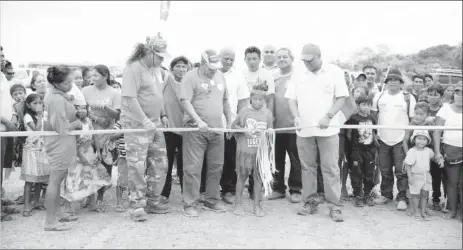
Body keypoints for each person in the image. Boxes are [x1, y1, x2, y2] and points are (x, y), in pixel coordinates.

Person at [286, 43, 349, 222]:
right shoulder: (298, 74)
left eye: (310, 60)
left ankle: (334, 206)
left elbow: (342, 98)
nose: (307, 63)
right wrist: (296, 117)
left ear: (319, 56)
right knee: (307, 168)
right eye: (304, 60)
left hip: (328, 130)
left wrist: (328, 117)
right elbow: (291, 100)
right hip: (304, 130)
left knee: (330, 168)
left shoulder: (334, 72)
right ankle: (310, 202)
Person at [120, 36, 170, 222]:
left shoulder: (153, 70)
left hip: (155, 124)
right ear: (149, 53)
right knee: (137, 165)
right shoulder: (133, 70)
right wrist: (144, 120)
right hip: (137, 126)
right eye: (160, 56)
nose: (162, 60)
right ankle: (136, 205)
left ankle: (152, 200)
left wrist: (163, 114)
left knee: (160, 163)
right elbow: (130, 98)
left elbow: (157, 95)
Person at [179, 49, 232, 217]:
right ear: (202, 64)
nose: (213, 70)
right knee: (193, 167)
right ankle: (190, 203)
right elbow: (185, 101)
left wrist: (229, 122)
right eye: (210, 67)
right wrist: (199, 120)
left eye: (216, 67)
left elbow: (225, 100)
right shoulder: (190, 77)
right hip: (195, 129)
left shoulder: (219, 76)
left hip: (217, 129)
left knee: (216, 166)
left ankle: (212, 199)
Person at [43, 65, 83, 231]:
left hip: (64, 142)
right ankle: (50, 221)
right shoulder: (56, 99)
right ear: (57, 83)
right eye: (68, 82)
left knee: (57, 181)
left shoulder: (59, 96)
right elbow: (61, 127)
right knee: (54, 181)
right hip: (59, 143)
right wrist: (78, 123)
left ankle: (58, 214)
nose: (71, 84)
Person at [371, 69, 416, 210]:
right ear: (386, 82)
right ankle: (386, 195)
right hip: (383, 139)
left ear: (401, 82)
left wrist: (407, 138)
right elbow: (373, 116)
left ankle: (402, 197)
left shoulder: (408, 97)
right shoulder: (379, 96)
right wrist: (374, 133)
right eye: (390, 80)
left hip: (401, 140)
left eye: (396, 80)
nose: (393, 82)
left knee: (401, 170)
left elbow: (413, 119)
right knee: (384, 169)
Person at [82, 64, 121, 212]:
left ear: (105, 76)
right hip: (88, 133)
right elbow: (81, 110)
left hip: (107, 134)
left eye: (96, 75)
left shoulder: (115, 93)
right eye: (92, 76)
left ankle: (100, 197)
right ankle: (88, 195)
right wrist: (96, 117)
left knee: (106, 165)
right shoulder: (85, 91)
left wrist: (104, 107)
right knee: (88, 164)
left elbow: (117, 114)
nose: (93, 78)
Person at [232, 82, 273, 217]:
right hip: (245, 151)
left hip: (260, 153)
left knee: (258, 179)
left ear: (264, 100)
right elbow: (234, 126)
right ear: (250, 98)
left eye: (261, 99)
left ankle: (257, 205)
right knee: (242, 177)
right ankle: (238, 204)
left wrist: (269, 133)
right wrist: (244, 131)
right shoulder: (244, 111)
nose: (257, 102)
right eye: (255, 99)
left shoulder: (267, 113)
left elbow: (270, 131)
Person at [217, 48, 250, 204]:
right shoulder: (211, 72)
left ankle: (228, 190)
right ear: (219, 57)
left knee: (230, 158)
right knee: (211, 158)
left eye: (231, 59)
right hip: (210, 124)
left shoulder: (238, 76)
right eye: (226, 58)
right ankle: (205, 190)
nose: (228, 62)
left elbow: (243, 101)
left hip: (230, 125)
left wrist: (237, 123)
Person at [269, 48, 302, 203]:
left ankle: (296, 189)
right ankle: (278, 188)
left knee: (296, 160)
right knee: (277, 159)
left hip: (294, 126)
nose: (282, 59)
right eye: (279, 57)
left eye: (285, 56)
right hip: (277, 126)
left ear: (292, 58)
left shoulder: (299, 76)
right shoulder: (273, 78)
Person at [243, 46, 275, 198]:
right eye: (249, 58)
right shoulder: (241, 74)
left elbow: (270, 99)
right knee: (246, 153)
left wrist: (269, 120)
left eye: (255, 58)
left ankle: (255, 189)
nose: (252, 61)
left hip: (262, 120)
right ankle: (239, 186)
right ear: (245, 60)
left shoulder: (266, 74)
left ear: (259, 59)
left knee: (260, 155)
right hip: (246, 120)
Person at [161, 56, 191, 202]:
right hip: (168, 128)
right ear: (172, 68)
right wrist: (163, 115)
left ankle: (186, 195)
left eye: (184, 66)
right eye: (178, 66)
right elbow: (159, 98)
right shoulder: (166, 80)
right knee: (166, 162)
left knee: (184, 164)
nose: (181, 69)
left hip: (186, 129)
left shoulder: (189, 83)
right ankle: (164, 194)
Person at [433, 82, 462, 220]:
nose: (460, 96)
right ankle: (452, 210)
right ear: (454, 94)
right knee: (452, 181)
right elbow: (437, 132)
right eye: (458, 92)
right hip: (451, 149)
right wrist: (438, 152)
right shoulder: (445, 109)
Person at [20, 93, 50, 217]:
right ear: (28, 105)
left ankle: (36, 202)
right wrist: (39, 115)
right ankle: (27, 205)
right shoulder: (28, 116)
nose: (38, 105)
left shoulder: (45, 115)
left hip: (42, 149)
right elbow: (37, 129)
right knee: (30, 179)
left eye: (40, 103)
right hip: (31, 149)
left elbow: (47, 128)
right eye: (35, 103)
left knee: (40, 178)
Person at [346, 95, 377, 207]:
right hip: (357, 150)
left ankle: (367, 195)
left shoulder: (373, 118)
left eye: (368, 105)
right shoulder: (353, 118)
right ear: (358, 106)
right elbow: (349, 135)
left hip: (369, 150)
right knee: (356, 173)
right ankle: (358, 195)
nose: (366, 107)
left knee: (369, 173)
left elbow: (375, 133)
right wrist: (353, 147)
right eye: (363, 104)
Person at [1, 45, 19, 222]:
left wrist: (12, 117)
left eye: (3, 55)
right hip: (2, 128)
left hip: (5, 131)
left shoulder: (2, 76)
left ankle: (0, 198)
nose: (3, 59)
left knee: (1, 166)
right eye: (0, 56)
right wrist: (6, 121)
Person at [404, 130, 434, 220]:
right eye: (419, 138)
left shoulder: (428, 151)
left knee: (424, 195)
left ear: (427, 141)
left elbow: (434, 157)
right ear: (414, 140)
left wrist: (440, 159)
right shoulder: (411, 151)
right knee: (415, 195)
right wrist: (409, 176)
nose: (421, 141)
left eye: (424, 139)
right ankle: (415, 211)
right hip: (415, 176)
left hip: (426, 176)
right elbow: (408, 165)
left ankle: (423, 211)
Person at [110, 120, 128, 212]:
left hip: (137, 155)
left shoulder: (139, 120)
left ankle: (135, 200)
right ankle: (119, 202)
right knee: (122, 179)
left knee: (136, 179)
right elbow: (111, 136)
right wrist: (123, 131)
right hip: (123, 156)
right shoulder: (120, 123)